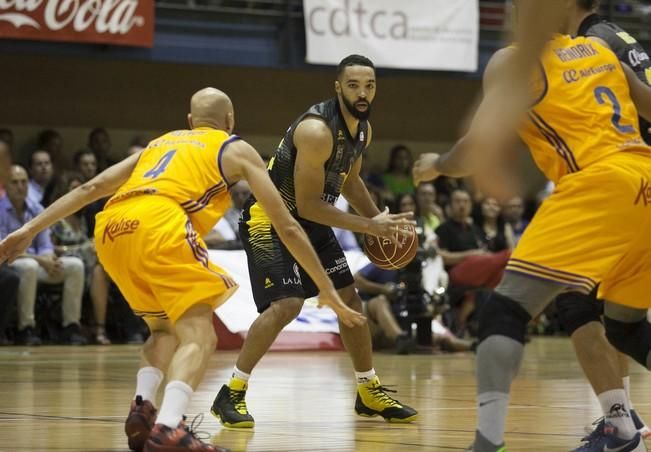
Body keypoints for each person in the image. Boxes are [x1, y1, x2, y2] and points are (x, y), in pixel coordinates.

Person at [0, 87, 365, 452]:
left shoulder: (159, 144)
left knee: (163, 330)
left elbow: (93, 187)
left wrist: (29, 230)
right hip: (159, 221)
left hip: (111, 226)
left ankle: (142, 408)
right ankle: (170, 427)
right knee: (199, 335)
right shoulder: (234, 147)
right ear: (230, 120)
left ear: (190, 122)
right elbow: (286, 225)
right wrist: (326, 288)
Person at [413, 13, 651, 452]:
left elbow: (476, 147)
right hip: (645, 180)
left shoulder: (514, 61)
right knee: (624, 329)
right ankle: (620, 427)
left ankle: (487, 443)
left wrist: (437, 165)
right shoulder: (601, 50)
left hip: (595, 182)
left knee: (503, 313)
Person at [211, 55, 418, 430]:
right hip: (270, 220)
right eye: (353, 85)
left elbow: (350, 182)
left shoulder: (362, 130)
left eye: (369, 85)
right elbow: (308, 204)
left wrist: (377, 222)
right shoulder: (317, 131)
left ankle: (368, 390)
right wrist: (370, 229)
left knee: (350, 301)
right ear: (338, 87)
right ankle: (232, 392)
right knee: (287, 303)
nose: (362, 92)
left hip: (311, 221)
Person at [557, 2, 651, 450]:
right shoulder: (619, 38)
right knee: (621, 319)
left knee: (575, 303)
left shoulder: (588, 47)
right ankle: (624, 417)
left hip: (624, 186)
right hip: (638, 186)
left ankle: (619, 424)